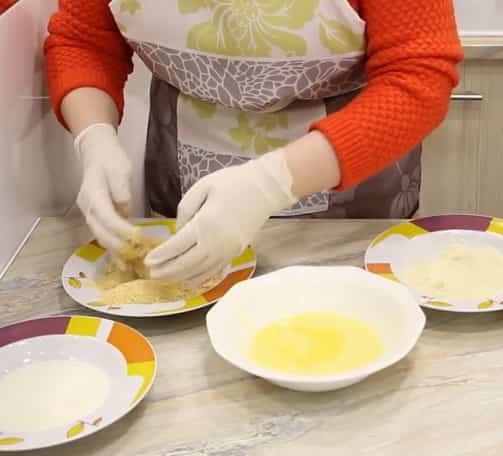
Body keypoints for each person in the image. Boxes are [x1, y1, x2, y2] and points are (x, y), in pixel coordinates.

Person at [45, 0, 462, 285]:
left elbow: (417, 76)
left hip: (347, 190)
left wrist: (271, 182)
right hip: (183, 172)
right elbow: (84, 40)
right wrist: (94, 138)